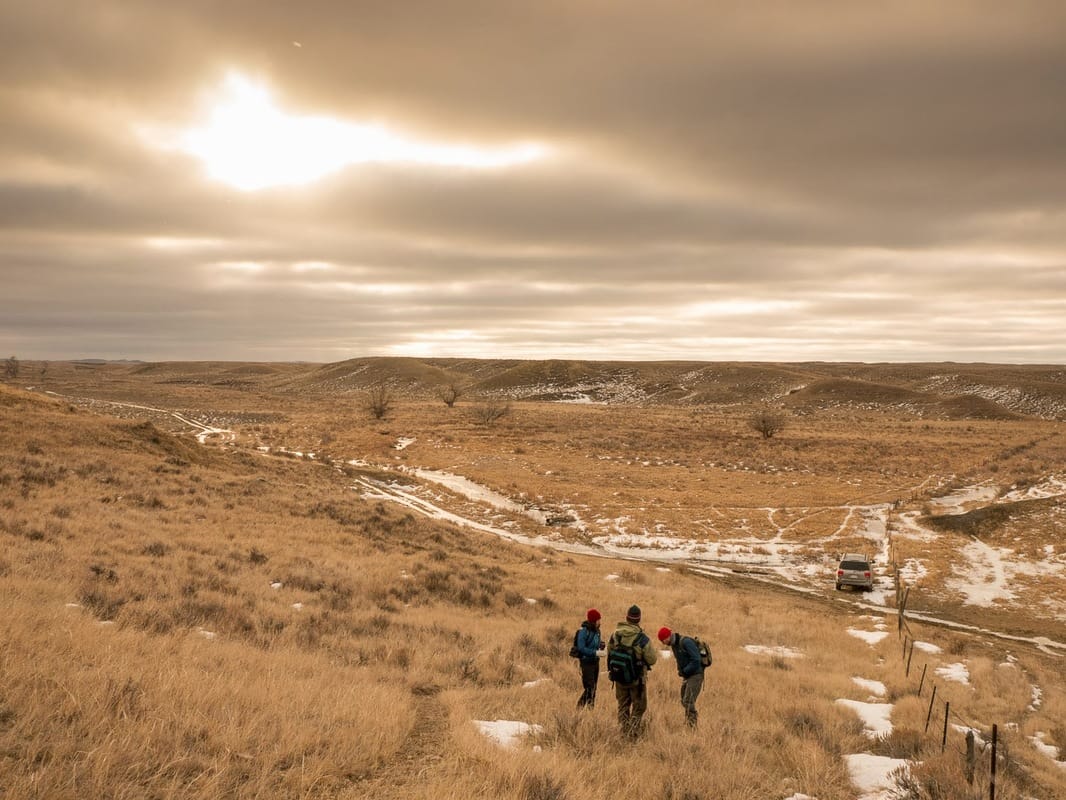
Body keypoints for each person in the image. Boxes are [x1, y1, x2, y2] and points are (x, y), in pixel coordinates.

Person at [607, 604, 658, 738]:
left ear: (626, 618)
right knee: (639, 707)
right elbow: (652, 659)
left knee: (623, 706)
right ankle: (633, 733)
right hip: (637, 680)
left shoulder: (615, 635)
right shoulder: (642, 639)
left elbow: (610, 652)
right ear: (639, 619)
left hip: (618, 676)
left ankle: (623, 733)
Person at [657, 626, 705, 727]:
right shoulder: (674, 645)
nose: (663, 643)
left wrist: (684, 671)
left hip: (696, 675)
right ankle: (689, 722)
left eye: (663, 640)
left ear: (667, 637)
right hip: (687, 676)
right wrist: (681, 672)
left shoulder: (686, 642)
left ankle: (692, 726)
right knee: (684, 699)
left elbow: (696, 660)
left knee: (688, 701)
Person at [575, 608, 604, 708]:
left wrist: (601, 645)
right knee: (589, 688)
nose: (600, 622)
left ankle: (590, 709)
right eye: (598, 620)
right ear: (593, 620)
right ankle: (579, 708)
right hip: (586, 663)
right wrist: (595, 652)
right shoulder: (584, 631)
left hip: (595, 662)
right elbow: (581, 648)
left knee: (593, 688)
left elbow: (595, 644)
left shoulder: (597, 631)